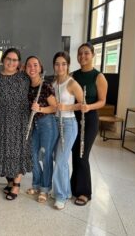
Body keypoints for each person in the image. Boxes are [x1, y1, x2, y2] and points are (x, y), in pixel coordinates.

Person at [71, 42, 108, 206]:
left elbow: (102, 101)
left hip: (90, 117)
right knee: (74, 154)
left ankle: (85, 192)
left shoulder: (99, 77)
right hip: (74, 117)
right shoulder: (73, 75)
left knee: (82, 155)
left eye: (86, 53)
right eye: (80, 53)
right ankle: (73, 187)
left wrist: (88, 107)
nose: (82, 56)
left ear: (93, 55)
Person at [0, 48, 32, 200]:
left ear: (19, 63)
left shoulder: (24, 77)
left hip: (21, 120)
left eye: (15, 60)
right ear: (3, 59)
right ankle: (10, 181)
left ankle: (16, 185)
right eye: (8, 59)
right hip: (2, 120)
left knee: (18, 152)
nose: (11, 62)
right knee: (5, 151)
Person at [51, 51, 83, 210]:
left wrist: (67, 107)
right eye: (57, 64)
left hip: (69, 124)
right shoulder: (53, 83)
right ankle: (67, 191)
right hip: (55, 122)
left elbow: (84, 105)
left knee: (61, 160)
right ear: (54, 66)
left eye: (63, 63)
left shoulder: (72, 83)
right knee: (59, 160)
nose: (60, 67)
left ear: (68, 65)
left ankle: (61, 196)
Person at [24, 56, 57, 204]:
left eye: (35, 65)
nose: (32, 68)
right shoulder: (27, 85)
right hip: (34, 125)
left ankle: (45, 189)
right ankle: (36, 185)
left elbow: (55, 107)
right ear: (25, 68)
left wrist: (40, 108)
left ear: (40, 68)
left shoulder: (46, 86)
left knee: (47, 156)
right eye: (29, 65)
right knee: (33, 155)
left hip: (47, 123)